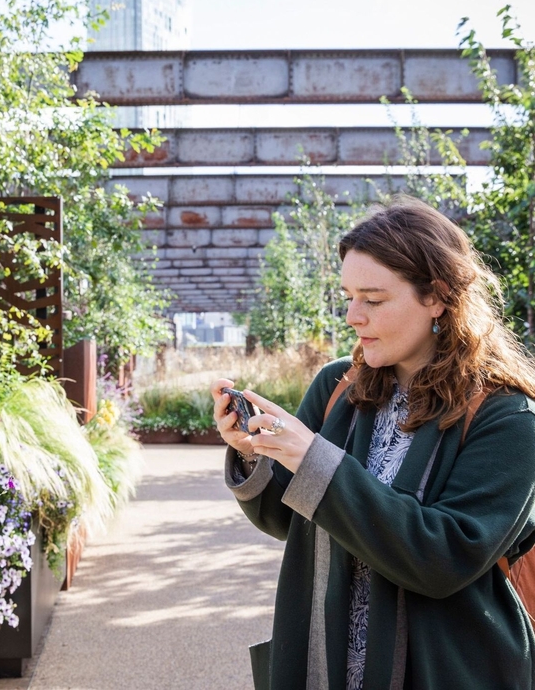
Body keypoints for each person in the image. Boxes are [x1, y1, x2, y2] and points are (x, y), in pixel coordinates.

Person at [211, 196, 535, 690]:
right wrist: (256, 454)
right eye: (347, 296)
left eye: (373, 299)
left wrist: (315, 460)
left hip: (446, 670)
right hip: (328, 664)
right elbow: (285, 518)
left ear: (438, 296)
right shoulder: (338, 386)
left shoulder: (508, 417)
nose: (352, 316)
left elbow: (443, 559)